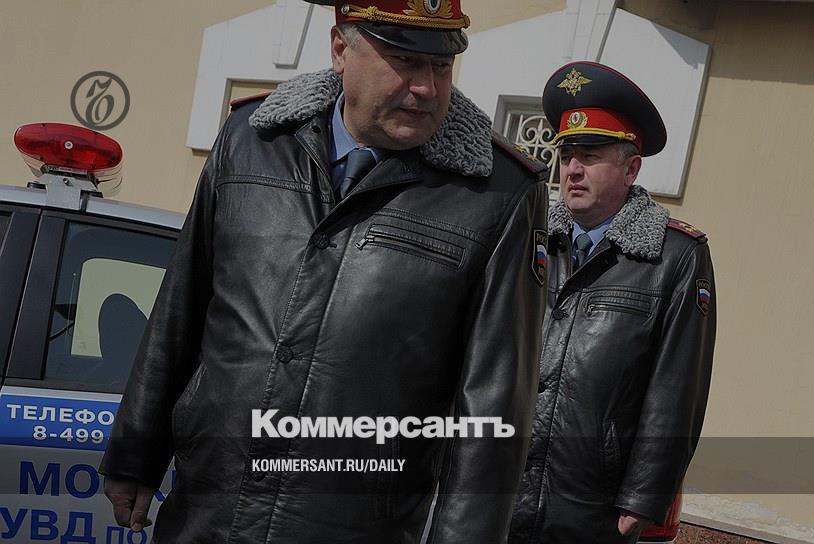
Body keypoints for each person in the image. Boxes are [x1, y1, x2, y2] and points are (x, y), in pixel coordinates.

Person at [99, 1, 549, 542]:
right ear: (340, 49)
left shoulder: (498, 194)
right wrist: (136, 453)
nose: (426, 87)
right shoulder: (251, 139)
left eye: (441, 66)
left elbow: (494, 406)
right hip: (208, 508)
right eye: (406, 61)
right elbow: (182, 302)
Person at [508, 61, 716, 544]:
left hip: (591, 505)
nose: (572, 170)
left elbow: (677, 388)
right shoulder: (528, 238)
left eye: (590, 155)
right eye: (566, 156)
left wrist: (644, 497)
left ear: (631, 167)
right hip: (501, 488)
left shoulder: (675, 256)